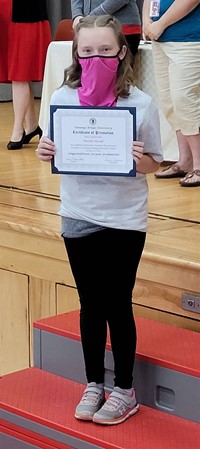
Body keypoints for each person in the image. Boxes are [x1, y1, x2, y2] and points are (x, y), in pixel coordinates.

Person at [37, 15, 163, 425]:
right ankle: (94, 383)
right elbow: (51, 146)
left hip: (124, 219)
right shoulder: (62, 98)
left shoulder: (139, 102)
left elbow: (153, 164)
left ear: (121, 51)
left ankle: (125, 391)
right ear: (76, 54)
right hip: (77, 215)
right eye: (87, 51)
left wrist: (137, 157)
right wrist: (46, 150)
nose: (96, 57)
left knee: (117, 303)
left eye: (105, 50)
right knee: (90, 305)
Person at [142, 0, 200, 187]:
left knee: (184, 99)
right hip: (160, 40)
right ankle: (185, 160)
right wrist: (146, 21)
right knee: (169, 102)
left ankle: (198, 165)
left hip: (189, 40)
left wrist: (161, 24)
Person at [0, 0, 51, 150]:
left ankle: (18, 130)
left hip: (25, 15)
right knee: (20, 74)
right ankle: (32, 125)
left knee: (20, 73)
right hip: (6, 14)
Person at [70, 0, 142, 61]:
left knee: (120, 74)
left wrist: (92, 17)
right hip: (88, 28)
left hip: (122, 28)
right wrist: (77, 15)